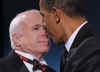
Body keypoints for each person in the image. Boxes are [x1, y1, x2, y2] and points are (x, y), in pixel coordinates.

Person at [39, 0, 100, 72]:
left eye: (43, 16)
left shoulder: (92, 53)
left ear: (56, 15)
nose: (43, 25)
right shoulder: (68, 54)